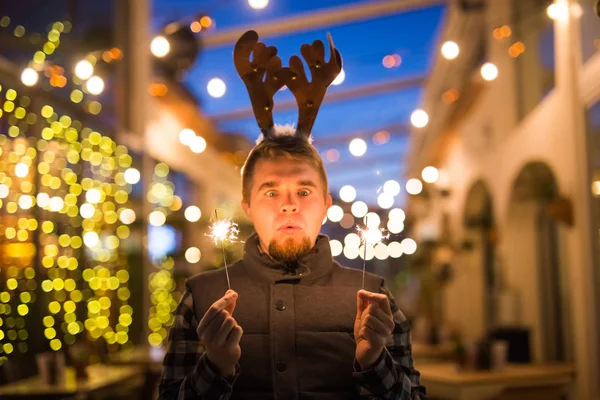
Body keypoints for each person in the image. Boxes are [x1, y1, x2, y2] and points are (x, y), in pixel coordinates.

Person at [158, 30, 426, 400]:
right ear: (247, 205)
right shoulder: (201, 297)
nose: (289, 204)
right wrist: (214, 367)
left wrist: (374, 361)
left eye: (303, 190)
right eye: (271, 191)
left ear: (326, 203)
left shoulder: (373, 300)